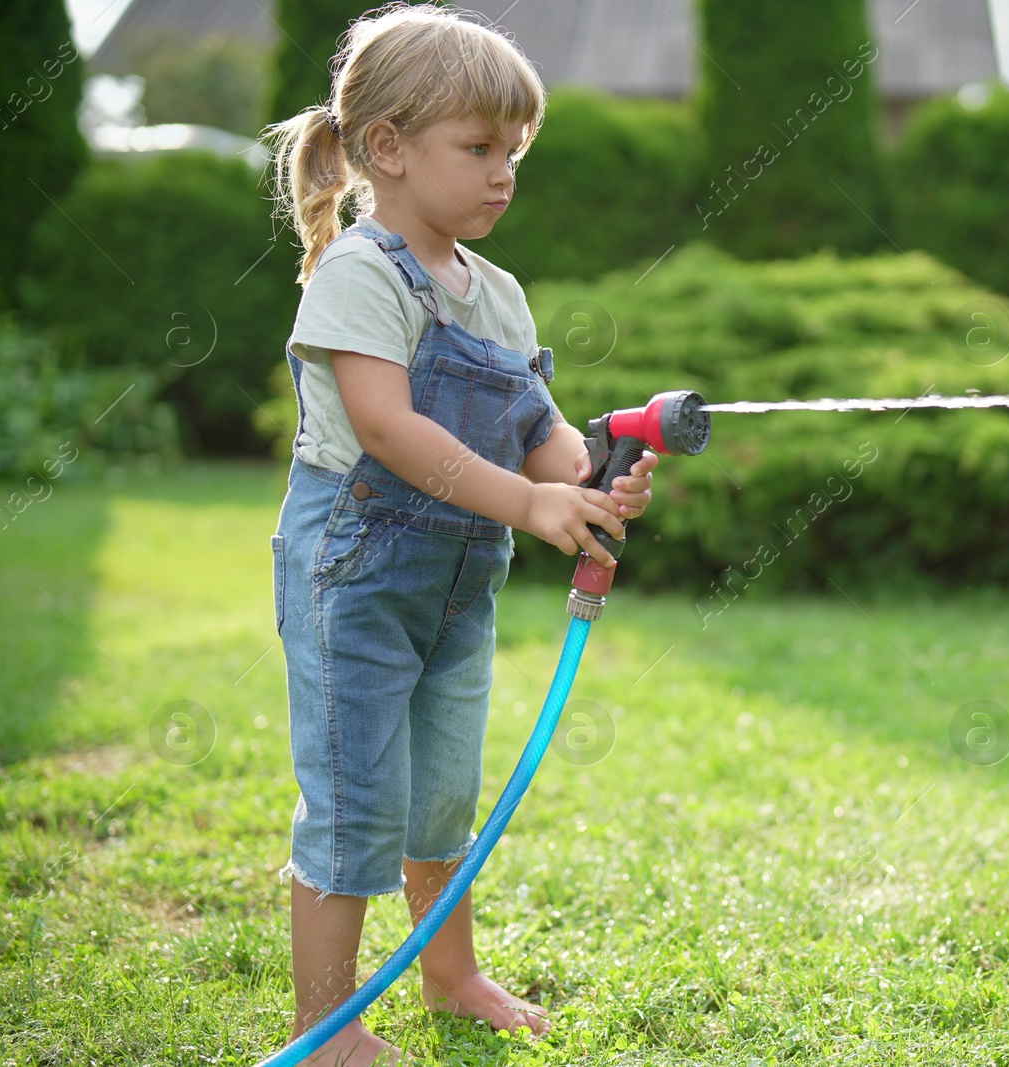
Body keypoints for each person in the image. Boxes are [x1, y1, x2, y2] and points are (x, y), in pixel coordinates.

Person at [263, 6, 656, 1064]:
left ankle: (450, 972)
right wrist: (529, 504)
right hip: (354, 571)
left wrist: (589, 478)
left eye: (512, 150)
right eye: (478, 148)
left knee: (440, 789)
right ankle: (326, 1027)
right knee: (356, 797)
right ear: (386, 148)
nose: (502, 174)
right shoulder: (361, 271)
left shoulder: (502, 296)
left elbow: (536, 428)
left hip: (454, 582)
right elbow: (388, 428)